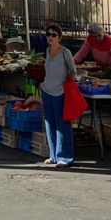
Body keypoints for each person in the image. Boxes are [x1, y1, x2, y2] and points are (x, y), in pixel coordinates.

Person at [40, 22, 77, 169]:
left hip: (60, 91)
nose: (50, 37)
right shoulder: (47, 51)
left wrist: (68, 85)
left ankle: (65, 157)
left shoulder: (65, 52)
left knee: (62, 124)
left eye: (53, 35)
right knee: (49, 123)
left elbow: (73, 71)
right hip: (46, 90)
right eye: (48, 34)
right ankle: (53, 155)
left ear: (59, 38)